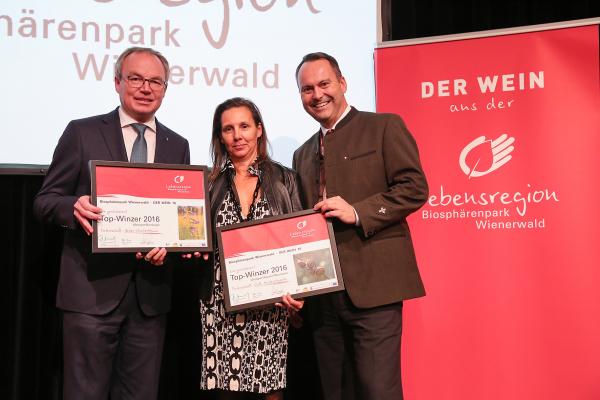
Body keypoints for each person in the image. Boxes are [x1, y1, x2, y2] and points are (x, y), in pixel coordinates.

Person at [33, 47, 190, 400]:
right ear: (118, 82)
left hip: (149, 298)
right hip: (90, 293)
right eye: (136, 78)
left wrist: (173, 246)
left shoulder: (177, 145)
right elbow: (45, 201)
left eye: (155, 81)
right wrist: (73, 206)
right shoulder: (82, 132)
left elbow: (179, 219)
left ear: (165, 89)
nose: (145, 88)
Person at [287, 52, 429, 400]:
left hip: (375, 290)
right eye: (307, 89)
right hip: (323, 297)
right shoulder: (302, 154)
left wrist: (359, 211)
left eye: (324, 84)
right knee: (335, 392)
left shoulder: (384, 126)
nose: (317, 94)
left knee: (378, 391)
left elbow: (415, 188)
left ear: (343, 83)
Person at [198, 97, 303, 400]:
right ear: (220, 136)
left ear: (259, 129)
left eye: (244, 126)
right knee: (225, 389)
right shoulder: (210, 182)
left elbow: (300, 240)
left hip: (272, 301)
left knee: (270, 389)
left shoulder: (286, 179)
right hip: (219, 302)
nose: (237, 135)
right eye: (228, 129)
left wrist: (300, 295)